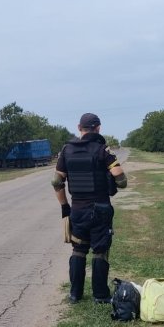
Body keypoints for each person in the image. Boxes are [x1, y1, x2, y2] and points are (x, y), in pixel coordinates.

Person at [52, 113, 127, 304]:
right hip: (100, 208)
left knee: (78, 250)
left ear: (79, 127)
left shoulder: (66, 150)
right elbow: (120, 177)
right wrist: (116, 182)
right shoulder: (102, 150)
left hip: (77, 208)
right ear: (98, 128)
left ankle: (75, 294)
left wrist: (64, 207)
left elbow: (56, 181)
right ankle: (100, 295)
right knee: (100, 251)